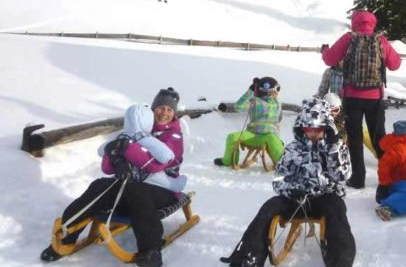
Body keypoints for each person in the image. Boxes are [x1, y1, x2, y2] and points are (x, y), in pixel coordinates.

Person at [41, 88, 188, 267]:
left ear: (174, 114)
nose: (164, 113)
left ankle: (151, 251)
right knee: (100, 185)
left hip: (164, 192)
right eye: (160, 107)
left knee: (138, 190)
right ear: (152, 109)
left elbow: (159, 163)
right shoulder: (137, 127)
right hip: (131, 186)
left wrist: (127, 149)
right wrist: (115, 158)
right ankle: (66, 237)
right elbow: (108, 168)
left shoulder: (173, 136)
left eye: (169, 109)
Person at [220, 98, 355, 267]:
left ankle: (340, 261)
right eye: (308, 128)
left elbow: (343, 175)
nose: (313, 132)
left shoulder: (337, 146)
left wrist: (333, 148)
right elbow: (278, 178)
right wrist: (290, 189)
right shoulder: (292, 149)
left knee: (337, 211)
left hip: (324, 197)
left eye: (318, 128)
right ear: (302, 127)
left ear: (327, 127)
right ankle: (247, 258)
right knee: (269, 207)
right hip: (295, 198)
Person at [321, 10, 402, 189]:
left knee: (355, 138)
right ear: (373, 23)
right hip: (375, 97)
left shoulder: (348, 38)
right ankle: (387, 176)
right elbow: (395, 64)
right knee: (378, 137)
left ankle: (358, 178)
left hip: (352, 97)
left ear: (354, 23)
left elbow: (329, 60)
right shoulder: (380, 40)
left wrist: (325, 50)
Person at [214, 77, 283, 167]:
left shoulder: (276, 104)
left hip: (268, 137)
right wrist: (251, 91)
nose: (277, 92)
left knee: (272, 138)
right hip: (252, 135)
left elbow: (279, 119)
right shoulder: (256, 102)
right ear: (267, 90)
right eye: (276, 89)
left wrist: (278, 137)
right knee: (232, 137)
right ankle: (229, 161)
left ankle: (285, 163)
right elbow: (238, 107)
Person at [324, 92, 377, 158]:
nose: (332, 114)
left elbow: (365, 135)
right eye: (328, 111)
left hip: (343, 149)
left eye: (335, 110)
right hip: (326, 151)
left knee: (358, 129)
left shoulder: (345, 119)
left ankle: (379, 152)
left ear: (340, 109)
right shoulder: (321, 120)